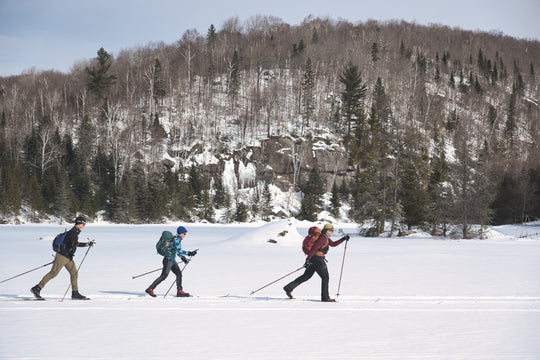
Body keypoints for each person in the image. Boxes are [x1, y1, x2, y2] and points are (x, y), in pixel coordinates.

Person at [31, 216, 95, 300]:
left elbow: (73, 244)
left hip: (68, 257)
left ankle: (75, 293)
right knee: (53, 273)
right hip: (62, 256)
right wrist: (87, 244)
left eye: (84, 224)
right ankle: (37, 288)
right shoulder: (73, 233)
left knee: (74, 273)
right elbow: (75, 244)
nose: (84, 226)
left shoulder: (75, 232)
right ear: (79, 224)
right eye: (83, 224)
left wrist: (87, 244)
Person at [283, 223, 349, 302]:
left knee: (306, 276)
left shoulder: (325, 237)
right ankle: (325, 297)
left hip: (314, 258)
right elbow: (314, 248)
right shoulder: (323, 238)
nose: (332, 232)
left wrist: (343, 239)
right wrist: (308, 259)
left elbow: (333, 244)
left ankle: (289, 288)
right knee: (325, 277)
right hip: (317, 259)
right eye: (331, 231)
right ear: (327, 231)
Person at [145, 226, 197, 297]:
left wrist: (183, 258)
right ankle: (150, 288)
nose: (185, 235)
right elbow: (179, 250)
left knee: (179, 274)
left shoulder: (177, 239)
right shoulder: (176, 240)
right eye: (184, 233)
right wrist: (189, 253)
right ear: (181, 233)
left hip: (172, 260)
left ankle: (179, 291)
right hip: (168, 260)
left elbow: (177, 251)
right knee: (164, 276)